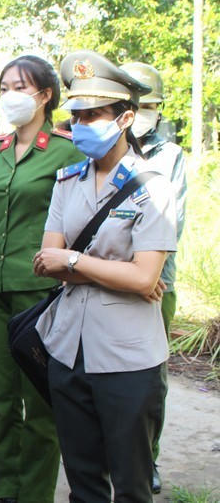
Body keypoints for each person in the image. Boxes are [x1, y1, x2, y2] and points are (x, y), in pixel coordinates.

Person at [33, 50, 176, 501]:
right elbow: (45, 260)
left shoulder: (154, 186)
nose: (80, 125)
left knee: (131, 484)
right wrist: (118, 271)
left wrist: (75, 264)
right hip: (67, 350)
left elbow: (144, 276)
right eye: (75, 115)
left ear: (125, 118)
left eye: (93, 114)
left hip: (128, 357)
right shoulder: (66, 181)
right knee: (82, 481)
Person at [0, 55, 84, 503]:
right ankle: (6, 492)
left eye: (20, 87)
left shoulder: (69, 151)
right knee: (0, 401)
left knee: (41, 404)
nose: (10, 95)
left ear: (45, 95)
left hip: (42, 296)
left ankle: (34, 495)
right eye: (5, 86)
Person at [121, 61, 187, 494]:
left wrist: (141, 271)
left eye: (152, 105)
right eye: (137, 104)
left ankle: (149, 458)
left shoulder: (171, 156)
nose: (146, 111)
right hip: (102, 280)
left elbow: (170, 222)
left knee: (147, 380)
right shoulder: (99, 152)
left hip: (155, 282)